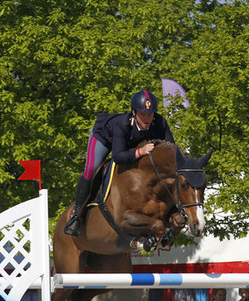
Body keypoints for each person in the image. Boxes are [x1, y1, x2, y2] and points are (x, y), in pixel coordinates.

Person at [64, 90, 176, 237]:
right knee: (91, 169)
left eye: (150, 114)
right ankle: (76, 215)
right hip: (104, 138)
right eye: (143, 114)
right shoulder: (122, 124)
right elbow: (118, 156)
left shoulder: (160, 123)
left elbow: (172, 152)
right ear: (134, 112)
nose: (147, 118)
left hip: (129, 145)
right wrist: (140, 152)